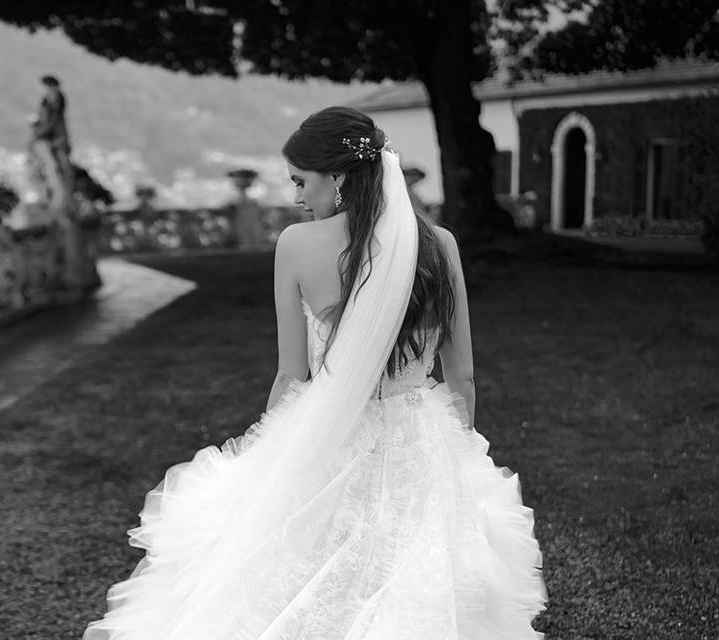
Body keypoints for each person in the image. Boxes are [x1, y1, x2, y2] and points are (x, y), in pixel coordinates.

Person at [83, 106, 547, 639]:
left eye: (302, 181)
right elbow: (461, 377)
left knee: (301, 573)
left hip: (332, 435)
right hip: (422, 439)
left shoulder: (296, 245)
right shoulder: (441, 245)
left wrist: (272, 457)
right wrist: (459, 458)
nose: (298, 197)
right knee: (421, 576)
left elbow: (290, 374)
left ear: (340, 177)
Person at [28, 75, 74, 215]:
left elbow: (51, 122)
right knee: (44, 172)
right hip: (48, 141)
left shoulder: (56, 101)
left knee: (56, 172)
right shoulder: (47, 101)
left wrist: (38, 130)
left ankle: (59, 204)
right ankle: (51, 201)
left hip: (55, 141)